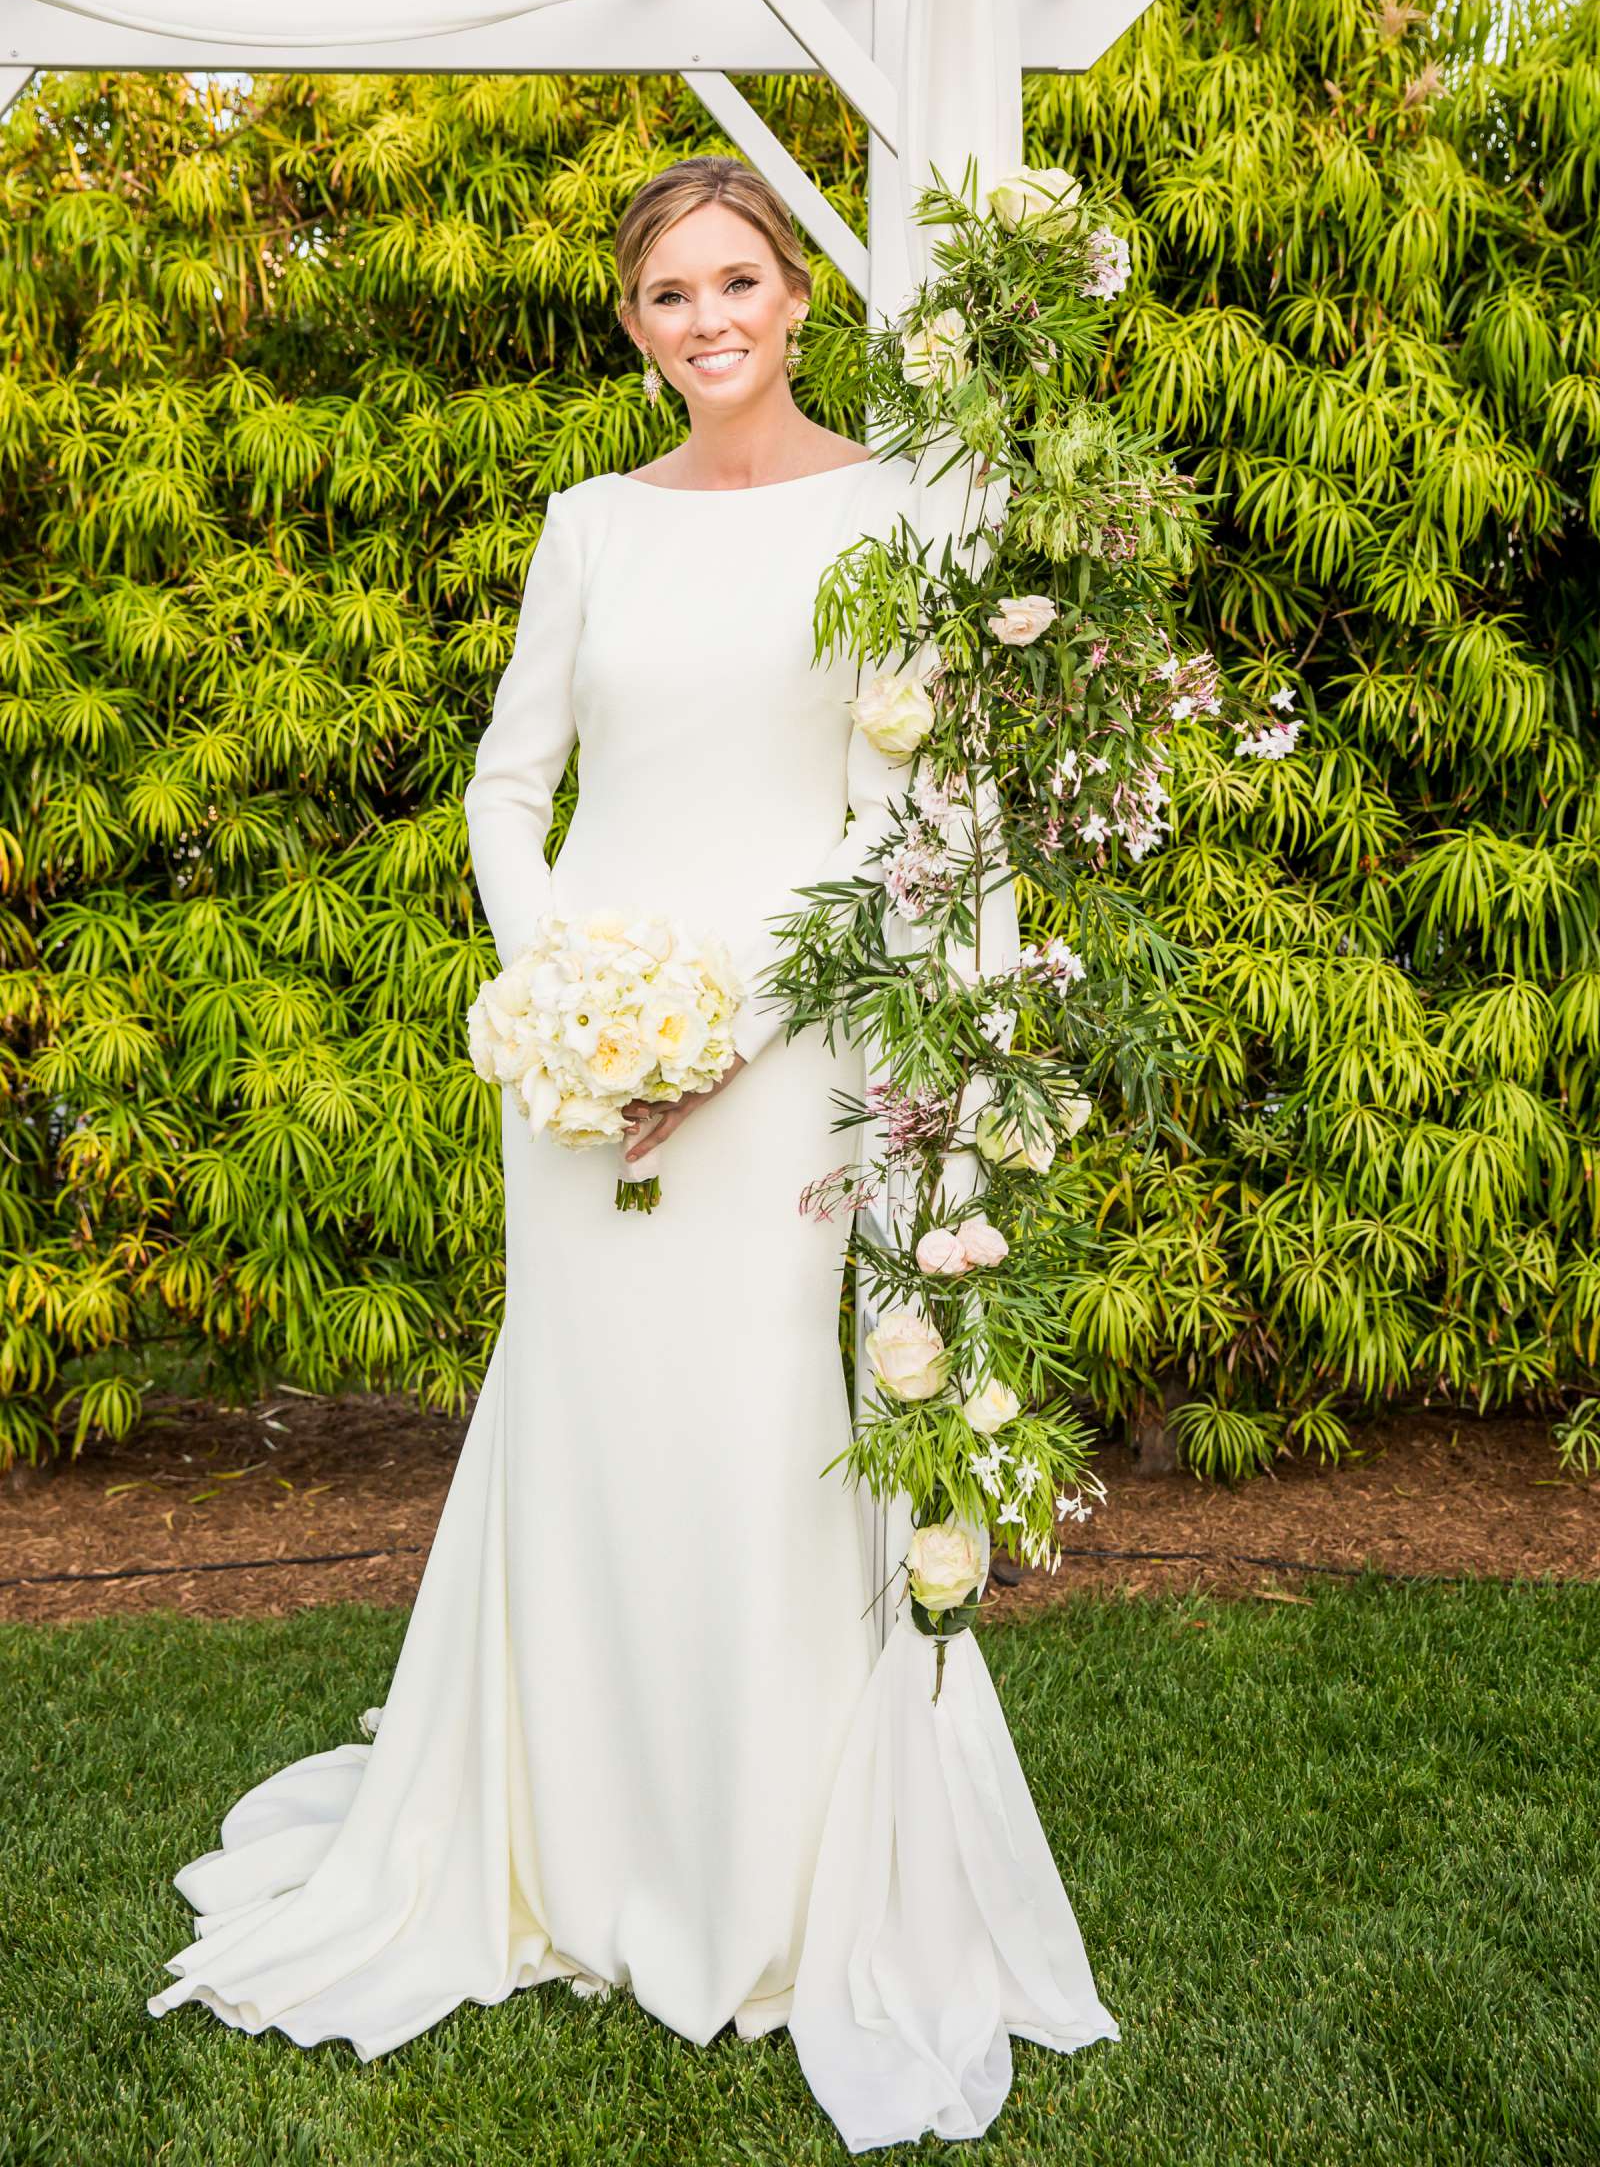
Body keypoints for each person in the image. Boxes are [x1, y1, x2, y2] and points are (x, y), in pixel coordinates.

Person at [146, 153, 1118, 2149]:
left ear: (793, 296)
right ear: (631, 324)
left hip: (792, 1046)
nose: (707, 322)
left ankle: (767, 1876)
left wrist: (728, 1030)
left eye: (735, 281)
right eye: (667, 296)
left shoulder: (892, 513)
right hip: (587, 1068)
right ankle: (567, 1855)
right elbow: (512, 789)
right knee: (595, 1430)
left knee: (773, 1440)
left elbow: (892, 818)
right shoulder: (585, 525)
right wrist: (569, 1012)